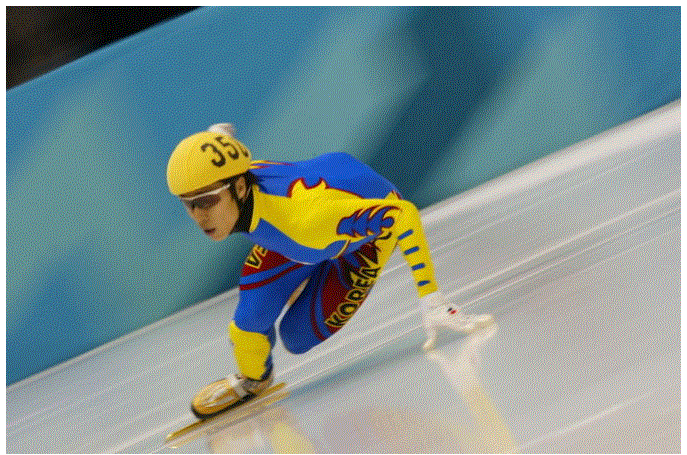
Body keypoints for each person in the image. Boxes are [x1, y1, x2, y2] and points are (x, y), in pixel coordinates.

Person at [166, 123, 493, 419]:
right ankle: (253, 379)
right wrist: (218, 135)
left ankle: (317, 269)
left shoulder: (305, 223)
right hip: (308, 222)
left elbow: (403, 214)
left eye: (206, 201)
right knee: (248, 323)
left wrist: (432, 300)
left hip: (354, 232)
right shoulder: (240, 179)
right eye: (187, 203)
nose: (198, 216)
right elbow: (222, 149)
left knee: (296, 337)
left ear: (239, 188)